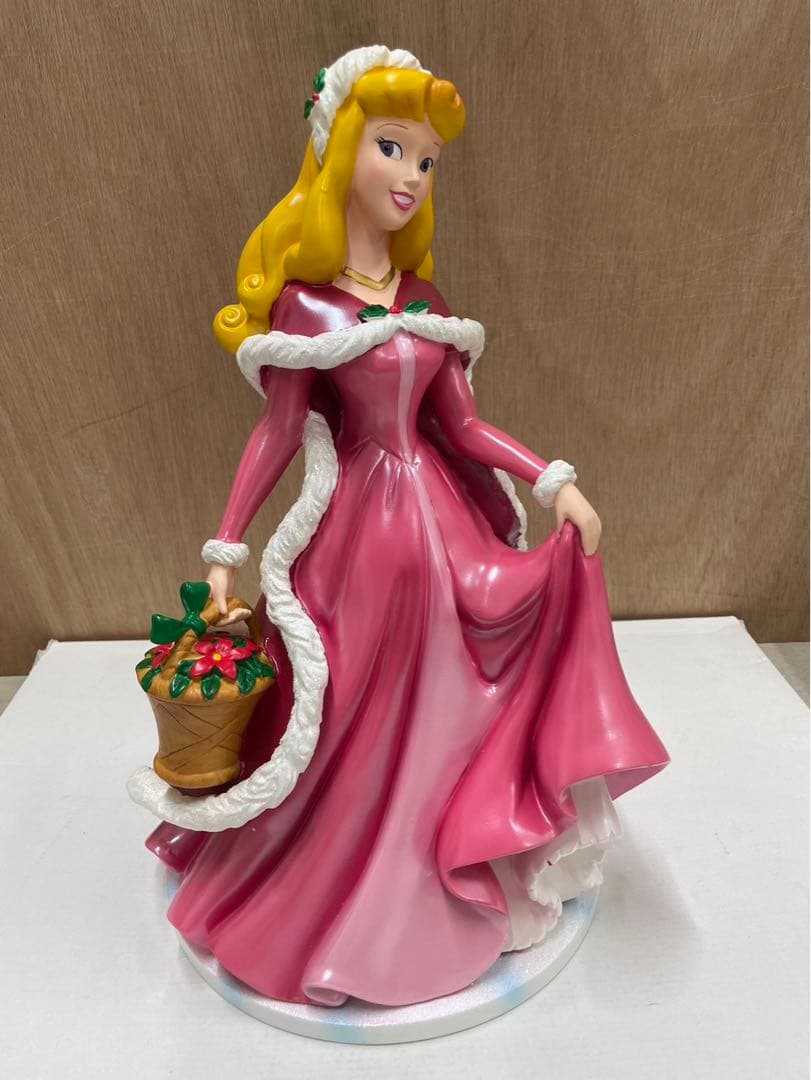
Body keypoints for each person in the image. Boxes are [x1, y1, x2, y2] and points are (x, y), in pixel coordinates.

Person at [129, 44, 670, 1008]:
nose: (412, 175)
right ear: (341, 150)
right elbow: (279, 432)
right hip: (359, 540)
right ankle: (338, 894)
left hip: (442, 526)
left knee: (457, 698)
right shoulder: (307, 306)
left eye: (427, 160)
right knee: (348, 716)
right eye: (392, 148)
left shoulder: (424, 302)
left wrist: (551, 480)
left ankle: (449, 854)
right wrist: (227, 548)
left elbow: (461, 426)